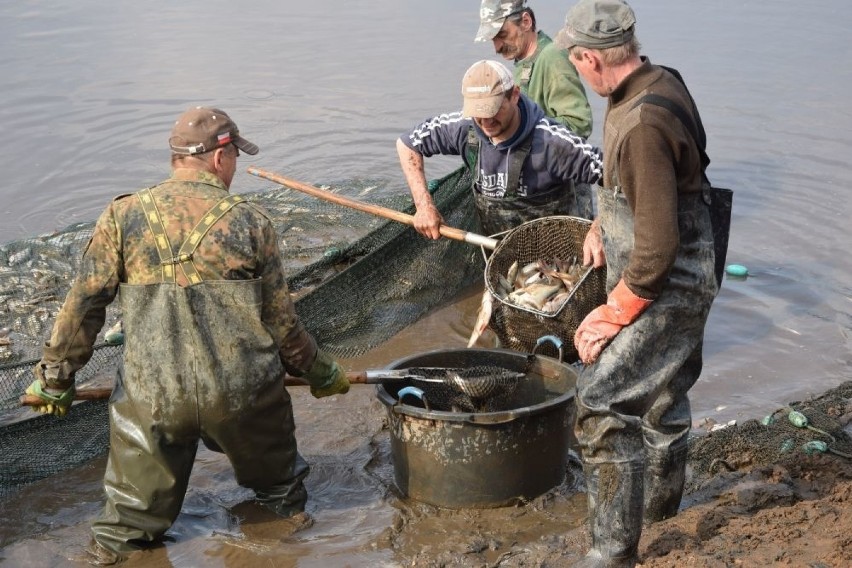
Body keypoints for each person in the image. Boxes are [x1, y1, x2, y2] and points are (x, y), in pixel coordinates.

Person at [24, 106, 350, 564]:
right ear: (220, 157)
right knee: (281, 492)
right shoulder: (251, 221)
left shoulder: (123, 216)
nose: (234, 166)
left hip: (152, 398)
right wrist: (320, 371)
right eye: (236, 155)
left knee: (124, 530)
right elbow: (282, 324)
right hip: (243, 394)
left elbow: (84, 307)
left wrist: (55, 378)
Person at [555, 1, 719, 566]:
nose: (575, 70)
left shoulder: (643, 119)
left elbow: (656, 249)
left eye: (574, 61)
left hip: (669, 282)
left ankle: (611, 554)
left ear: (588, 58)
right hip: (680, 266)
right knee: (664, 399)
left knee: (600, 401)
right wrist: (604, 221)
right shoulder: (655, 80)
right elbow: (666, 180)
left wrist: (610, 313)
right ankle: (659, 517)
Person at [397, 59, 602, 239]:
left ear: (514, 95)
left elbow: (618, 175)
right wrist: (424, 206)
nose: (486, 122)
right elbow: (407, 144)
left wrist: (599, 228)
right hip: (498, 249)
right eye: (478, 112)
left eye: (493, 110)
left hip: (559, 251)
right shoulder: (464, 128)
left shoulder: (552, 143)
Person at [475, 0, 593, 138]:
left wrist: (518, 129)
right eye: (493, 39)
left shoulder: (551, 57)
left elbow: (579, 124)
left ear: (526, 21)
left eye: (502, 35)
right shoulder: (524, 61)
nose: (497, 47)